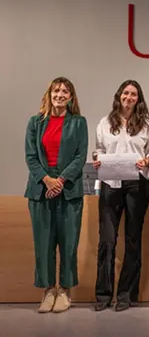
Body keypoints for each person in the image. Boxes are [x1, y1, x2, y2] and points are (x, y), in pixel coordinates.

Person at [92, 80, 149, 312]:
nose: (129, 97)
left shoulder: (147, 125)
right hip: (110, 183)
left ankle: (126, 295)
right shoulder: (104, 122)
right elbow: (99, 149)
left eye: (134, 94)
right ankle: (103, 295)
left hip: (137, 184)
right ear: (119, 95)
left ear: (138, 99)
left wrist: (147, 160)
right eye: (126, 93)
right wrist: (97, 158)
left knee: (133, 240)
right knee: (107, 241)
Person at [24, 77, 88, 313]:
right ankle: (49, 290)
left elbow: (80, 156)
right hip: (40, 190)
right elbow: (30, 156)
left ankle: (64, 291)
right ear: (49, 94)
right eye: (56, 90)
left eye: (65, 91)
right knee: (44, 244)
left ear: (71, 97)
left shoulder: (79, 123)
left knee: (68, 243)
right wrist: (47, 180)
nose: (60, 94)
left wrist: (60, 181)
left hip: (68, 191)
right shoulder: (35, 122)